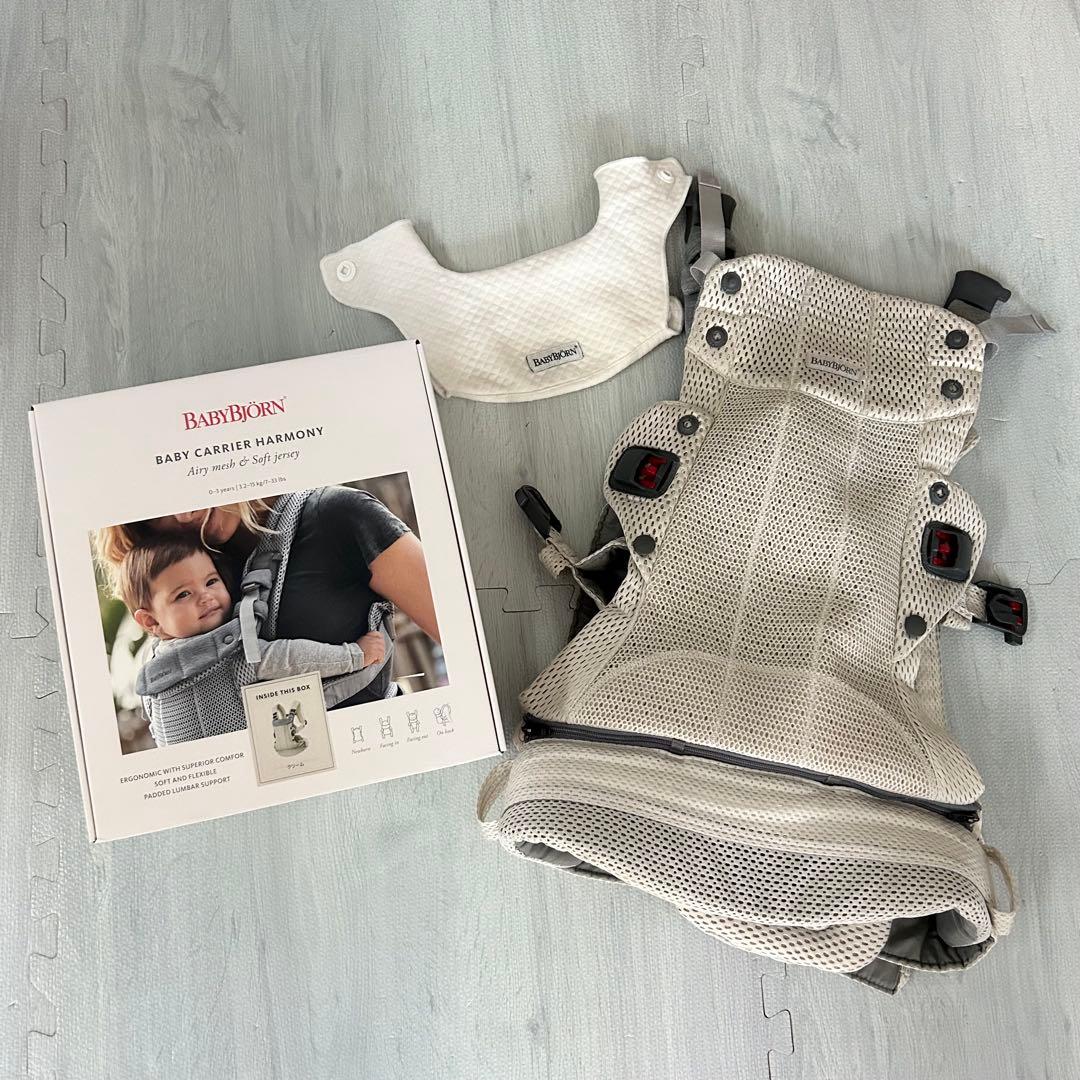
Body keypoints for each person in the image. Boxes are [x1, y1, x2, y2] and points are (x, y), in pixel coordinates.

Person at [94, 485, 439, 710]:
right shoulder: (175, 601)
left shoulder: (337, 515)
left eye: (187, 485)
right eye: (160, 511)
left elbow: (459, 629)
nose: (185, 514)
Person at [116, 532, 387, 685]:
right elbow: (288, 658)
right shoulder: (228, 651)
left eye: (211, 581)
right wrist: (354, 655)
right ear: (150, 621)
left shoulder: (152, 671)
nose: (205, 596)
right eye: (183, 594)